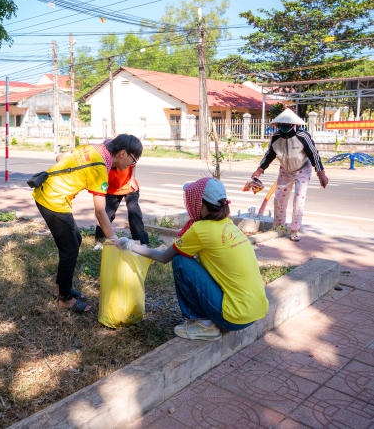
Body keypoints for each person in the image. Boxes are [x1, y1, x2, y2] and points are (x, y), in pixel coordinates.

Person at [118, 177, 269, 341]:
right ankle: (208, 319)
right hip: (255, 311)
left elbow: (164, 257)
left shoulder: (200, 229)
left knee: (180, 261)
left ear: (202, 205)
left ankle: (204, 325)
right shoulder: (227, 224)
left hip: (234, 318)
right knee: (184, 257)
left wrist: (130, 246)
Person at [33, 134, 143, 314]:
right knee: (70, 248)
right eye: (133, 160)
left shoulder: (93, 149)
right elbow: (100, 211)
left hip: (50, 192)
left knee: (75, 239)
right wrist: (113, 238)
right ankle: (65, 299)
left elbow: (60, 158)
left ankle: (61, 288)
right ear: (123, 153)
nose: (132, 165)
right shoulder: (101, 167)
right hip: (52, 200)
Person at [251, 108, 328, 242]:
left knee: (298, 201)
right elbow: (269, 155)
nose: (284, 127)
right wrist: (259, 170)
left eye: (286, 125)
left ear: (293, 124)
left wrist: (321, 173)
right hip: (285, 171)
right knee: (279, 199)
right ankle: (279, 226)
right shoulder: (276, 137)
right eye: (281, 125)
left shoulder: (303, 136)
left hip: (302, 170)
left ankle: (294, 230)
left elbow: (313, 154)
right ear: (278, 125)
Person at [94, 141, 148, 249]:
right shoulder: (105, 161)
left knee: (134, 213)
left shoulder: (126, 156)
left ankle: (142, 243)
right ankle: (100, 241)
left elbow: (133, 164)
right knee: (106, 214)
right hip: (112, 190)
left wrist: (132, 178)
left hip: (129, 187)